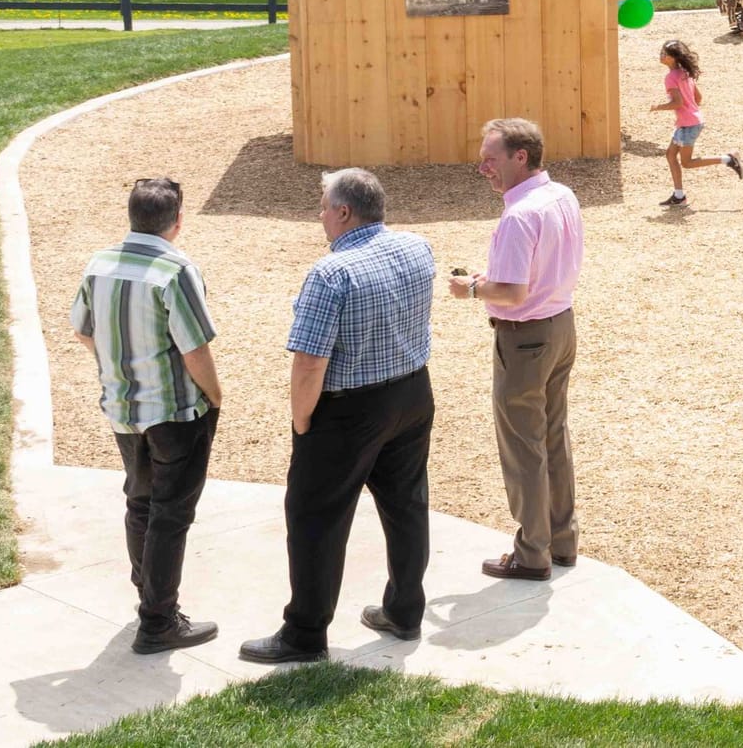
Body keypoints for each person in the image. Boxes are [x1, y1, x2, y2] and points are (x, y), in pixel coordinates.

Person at [239, 169, 436, 664]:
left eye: (324, 206)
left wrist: (302, 423)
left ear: (344, 212)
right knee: (407, 505)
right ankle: (405, 612)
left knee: (314, 517)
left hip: (349, 411)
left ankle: (305, 635)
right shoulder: (418, 248)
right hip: (413, 392)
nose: (320, 214)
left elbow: (309, 363)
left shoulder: (331, 274)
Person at [71, 177, 223, 655]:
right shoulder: (176, 270)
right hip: (174, 414)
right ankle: (158, 622)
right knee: (170, 515)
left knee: (140, 503)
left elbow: (82, 330)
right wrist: (215, 396)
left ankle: (149, 595)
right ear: (178, 221)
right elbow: (194, 348)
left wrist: (121, 368)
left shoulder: (99, 264)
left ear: (132, 216)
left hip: (123, 411)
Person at [450, 119, 583, 581]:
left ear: (519, 157)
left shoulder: (519, 215)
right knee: (553, 435)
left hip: (524, 338)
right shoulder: (562, 196)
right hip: (560, 326)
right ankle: (562, 542)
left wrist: (471, 289)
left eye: (490, 159)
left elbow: (511, 291)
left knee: (523, 446)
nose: (482, 168)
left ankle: (531, 554)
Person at [652, 39, 743, 205]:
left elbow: (678, 103)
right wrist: (690, 111)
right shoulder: (685, 73)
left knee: (687, 163)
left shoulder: (671, 78)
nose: (661, 55)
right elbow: (698, 98)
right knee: (670, 155)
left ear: (672, 58)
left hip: (688, 125)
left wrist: (658, 107)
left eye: (664, 53)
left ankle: (728, 159)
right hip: (690, 122)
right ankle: (679, 196)